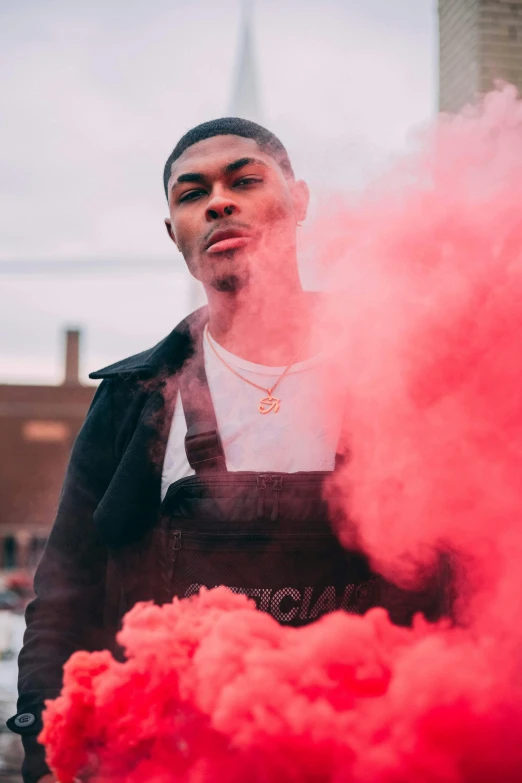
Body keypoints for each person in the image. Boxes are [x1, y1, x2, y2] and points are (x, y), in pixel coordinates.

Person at [7, 118, 448, 783]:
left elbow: (466, 582)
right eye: (191, 194)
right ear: (174, 233)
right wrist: (49, 750)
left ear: (299, 202)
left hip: (370, 760)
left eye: (245, 180)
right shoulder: (134, 400)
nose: (218, 202)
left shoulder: (398, 374)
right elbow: (63, 594)